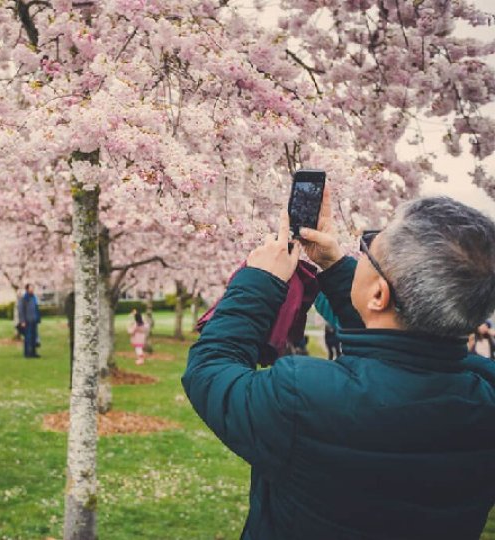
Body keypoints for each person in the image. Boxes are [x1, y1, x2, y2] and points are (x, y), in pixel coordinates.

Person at [182, 191, 495, 540]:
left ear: (378, 294)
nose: (359, 253)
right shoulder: (485, 395)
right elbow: (399, 346)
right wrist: (334, 266)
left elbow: (210, 370)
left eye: (368, 247)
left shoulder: (305, 397)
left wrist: (259, 280)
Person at [17, 283, 41, 358]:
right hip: (27, 321)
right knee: (28, 338)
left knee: (34, 337)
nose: (32, 289)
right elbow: (21, 310)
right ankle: (27, 353)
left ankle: (33, 353)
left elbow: (36, 308)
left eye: (33, 288)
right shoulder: (24, 298)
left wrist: (38, 318)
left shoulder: (34, 297)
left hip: (34, 320)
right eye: (31, 288)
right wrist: (22, 321)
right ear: (27, 289)